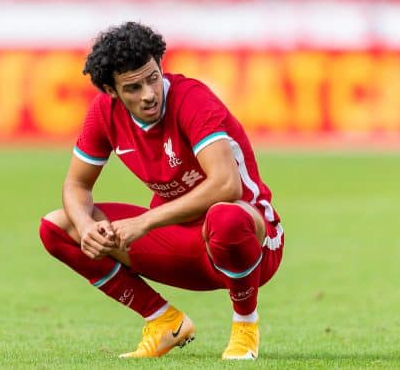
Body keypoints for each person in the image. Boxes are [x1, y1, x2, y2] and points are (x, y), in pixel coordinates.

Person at [38, 21, 284, 360]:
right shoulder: (103, 113)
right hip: (181, 243)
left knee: (224, 217)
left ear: (160, 65)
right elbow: (76, 185)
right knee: (56, 226)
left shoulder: (191, 99)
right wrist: (85, 228)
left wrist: (145, 222)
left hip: (252, 244)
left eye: (153, 77)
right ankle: (164, 321)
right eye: (134, 87)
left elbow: (227, 185)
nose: (149, 94)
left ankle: (245, 327)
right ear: (111, 91)